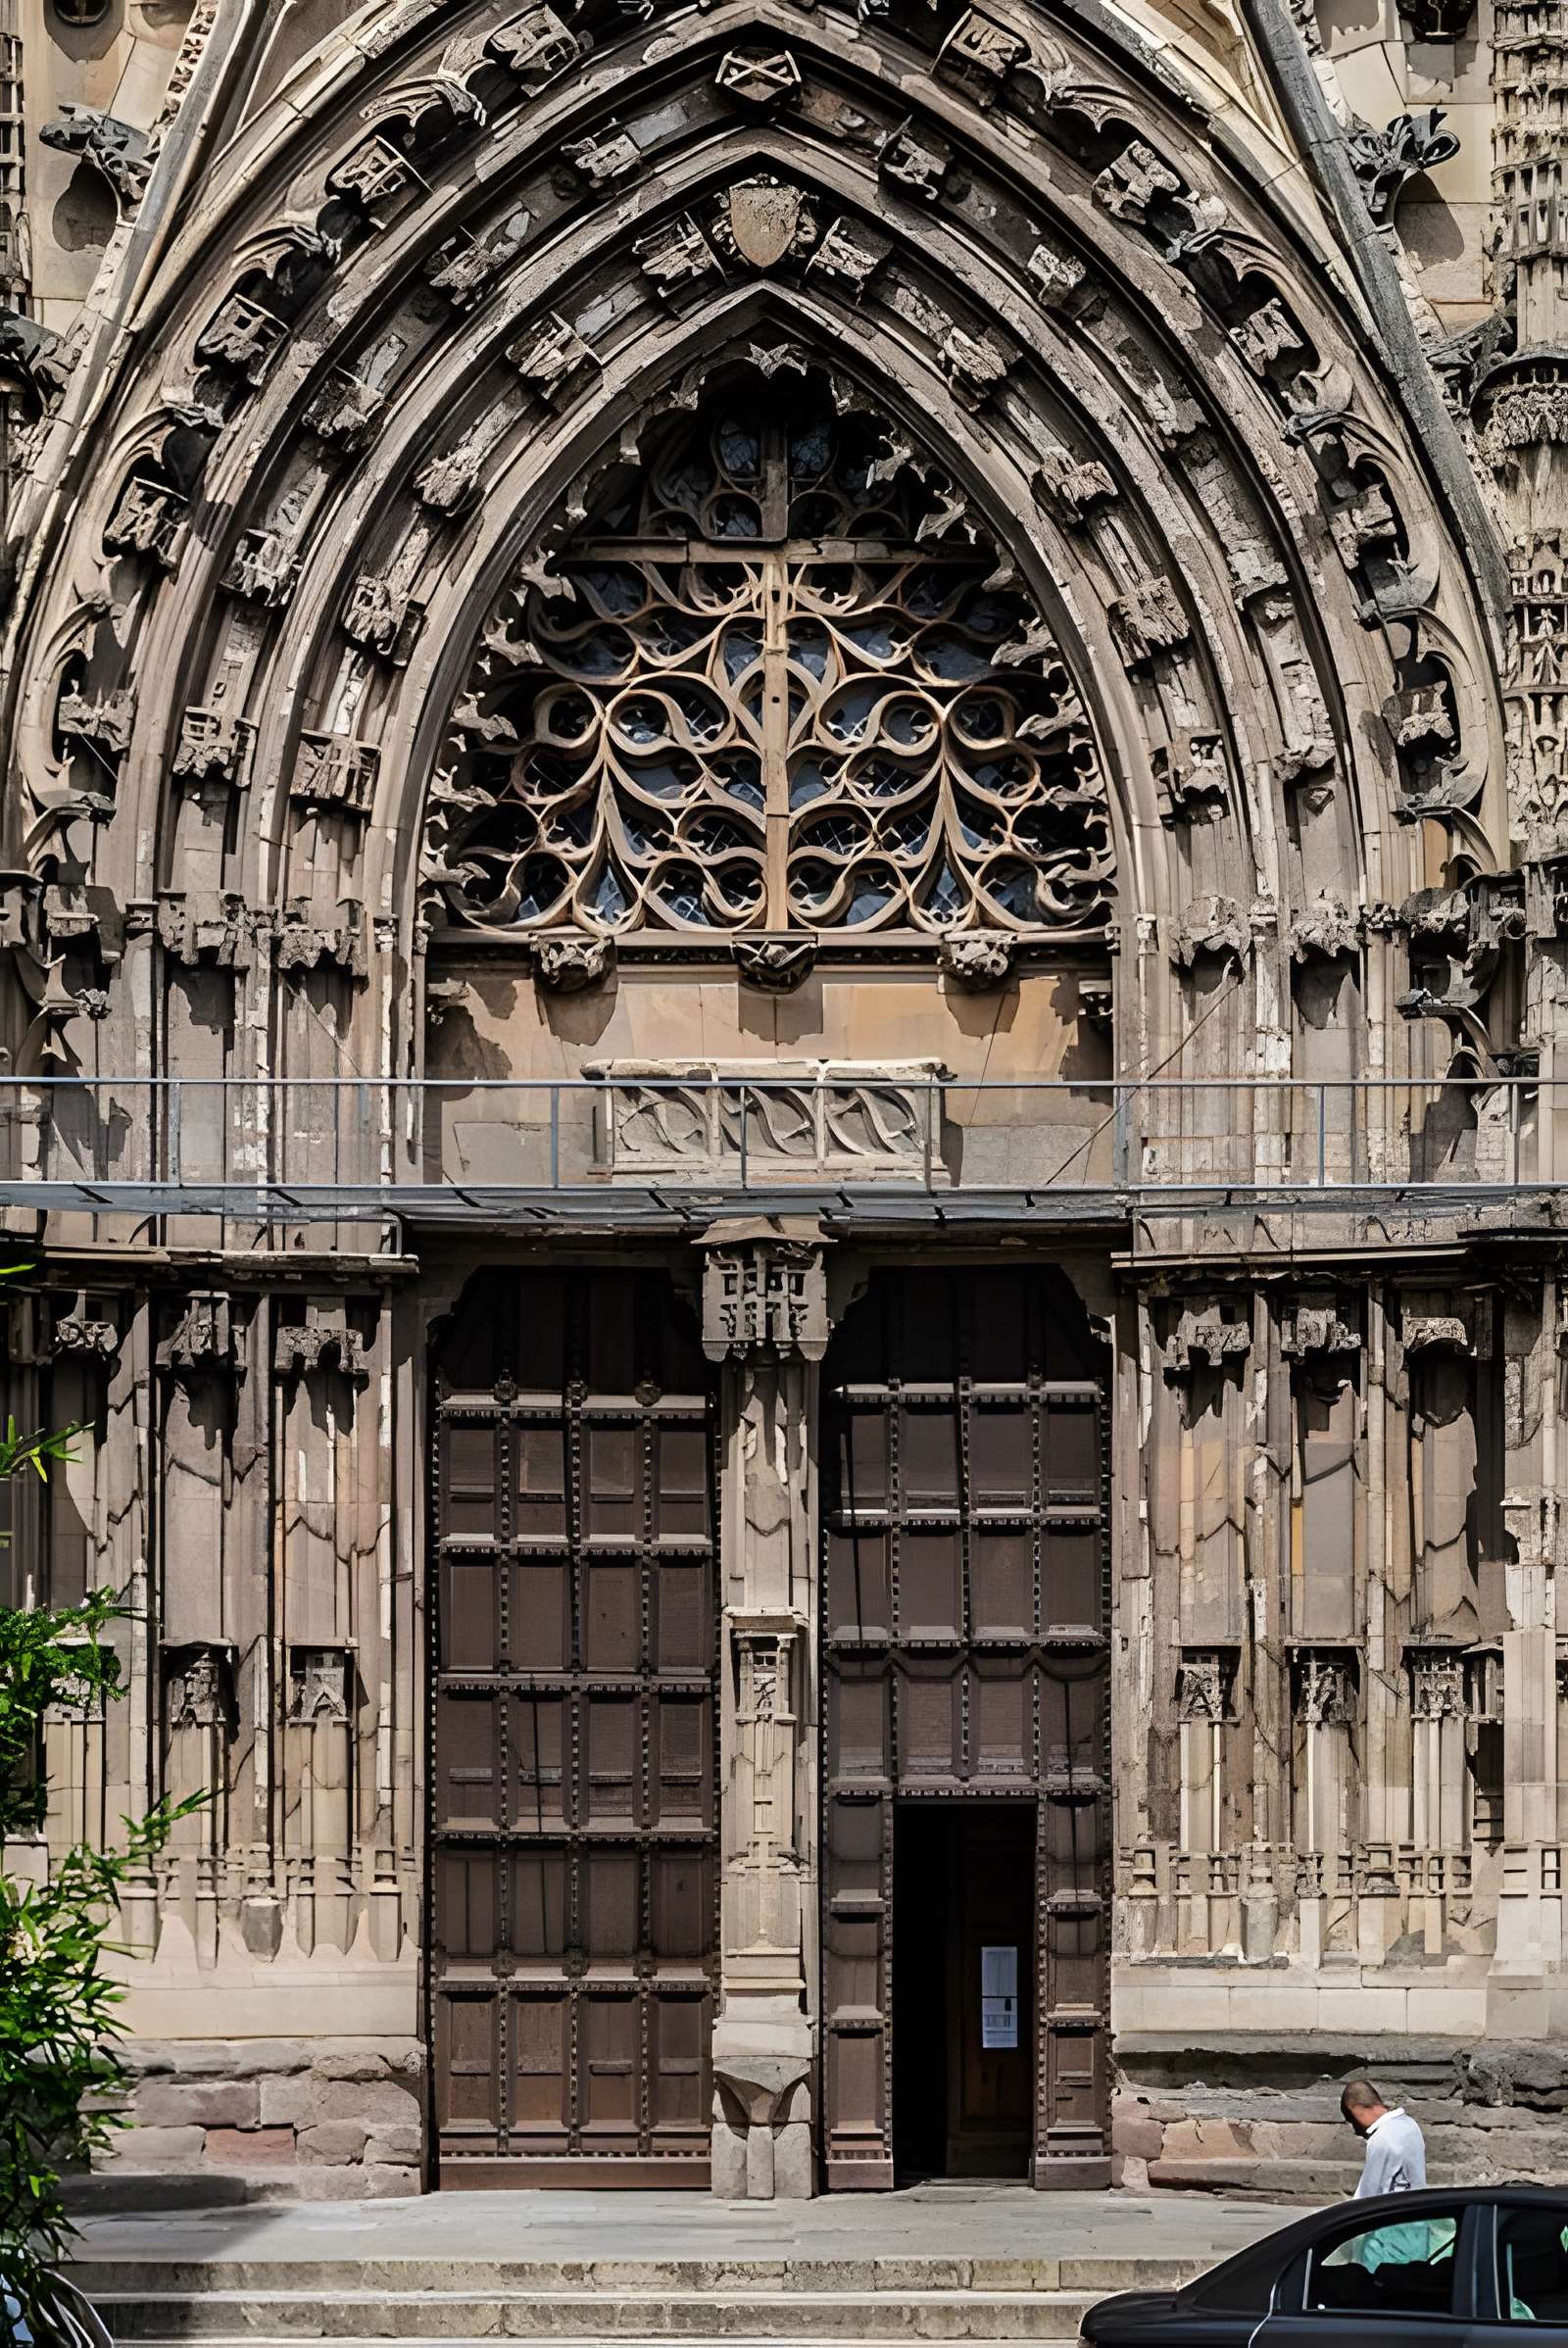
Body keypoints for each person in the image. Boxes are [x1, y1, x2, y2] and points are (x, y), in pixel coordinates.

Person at [1341, 2078, 1427, 2196]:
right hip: (1417, 2204)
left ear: (1355, 2109)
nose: (1355, 2129)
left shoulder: (1381, 2139)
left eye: (1351, 2119)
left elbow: (1368, 2194)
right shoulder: (1410, 2125)